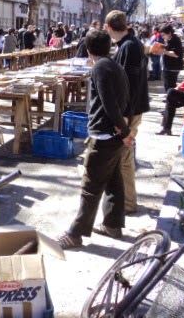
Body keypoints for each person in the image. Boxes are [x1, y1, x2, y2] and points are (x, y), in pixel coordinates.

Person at [56, 30, 134, 249]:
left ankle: (76, 233)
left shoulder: (100, 67)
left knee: (90, 186)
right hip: (112, 134)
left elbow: (109, 104)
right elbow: (126, 97)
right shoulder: (115, 65)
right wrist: (124, 127)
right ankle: (112, 224)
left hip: (104, 135)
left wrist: (124, 130)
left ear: (88, 49)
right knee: (113, 180)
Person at [105, 10, 150, 215]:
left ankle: (128, 203)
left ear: (109, 28)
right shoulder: (131, 44)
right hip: (131, 109)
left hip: (130, 111)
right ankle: (125, 200)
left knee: (123, 156)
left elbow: (129, 85)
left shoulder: (130, 46)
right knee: (123, 156)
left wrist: (124, 115)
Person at [154, 24, 184, 91]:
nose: (162, 37)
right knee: (167, 85)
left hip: (172, 67)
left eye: (163, 35)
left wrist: (164, 51)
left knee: (170, 86)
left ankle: (171, 99)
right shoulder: (169, 40)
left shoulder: (175, 40)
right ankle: (169, 98)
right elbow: (167, 51)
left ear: (169, 33)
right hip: (167, 67)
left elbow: (176, 54)